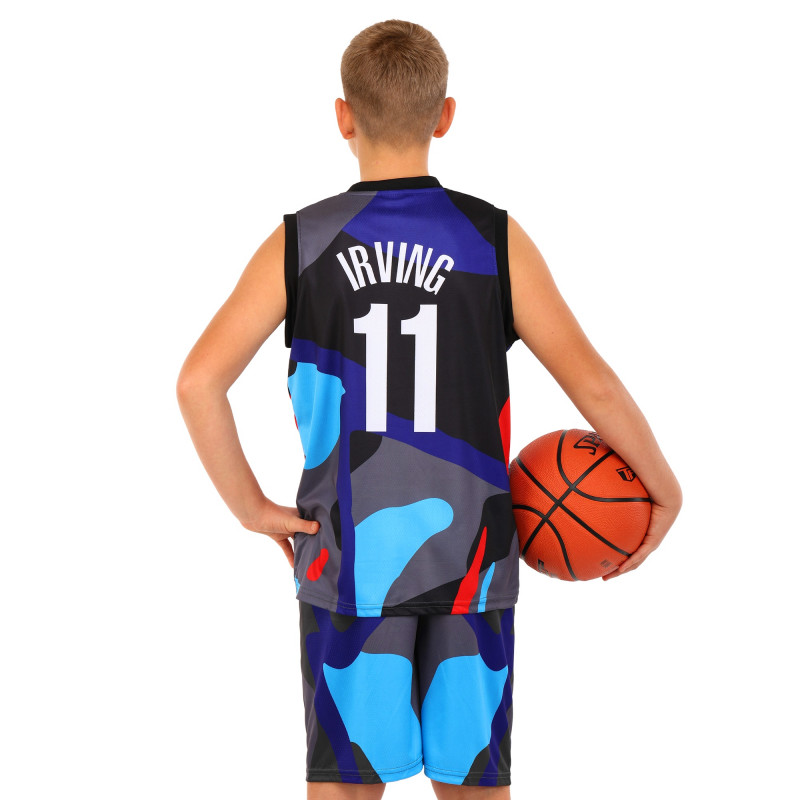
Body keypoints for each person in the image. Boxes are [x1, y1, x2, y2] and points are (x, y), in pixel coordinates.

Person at [176, 19, 682, 800]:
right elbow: (596, 388)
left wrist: (251, 508)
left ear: (343, 117)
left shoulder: (301, 243)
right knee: (473, 788)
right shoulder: (492, 238)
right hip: (472, 564)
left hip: (348, 561)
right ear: (445, 116)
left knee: (345, 785)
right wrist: (665, 490)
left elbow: (198, 382)